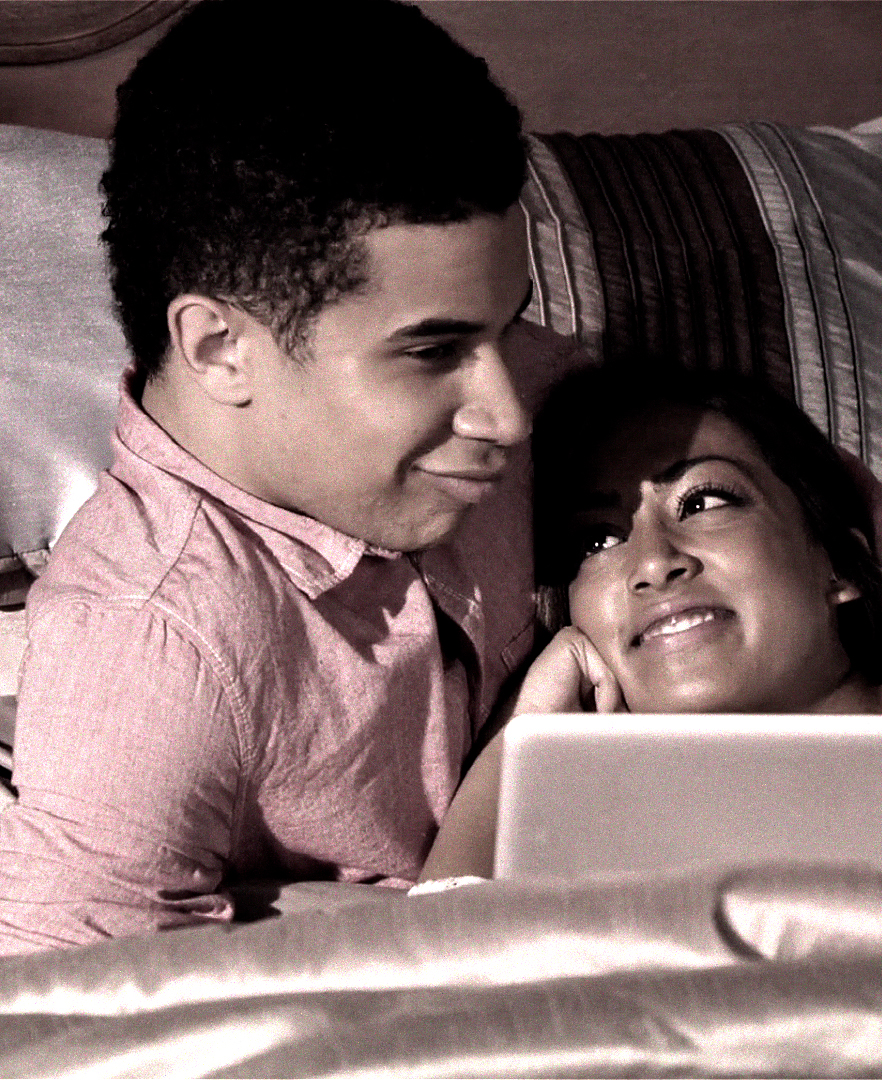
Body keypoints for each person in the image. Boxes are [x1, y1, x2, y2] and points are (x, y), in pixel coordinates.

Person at [0, 0, 584, 954]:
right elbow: (63, 1012)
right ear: (219, 348)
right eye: (432, 351)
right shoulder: (154, 644)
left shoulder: (551, 399)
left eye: (506, 326)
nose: (508, 413)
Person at [420, 366, 882, 880]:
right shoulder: (605, 861)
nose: (653, 562)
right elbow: (436, 966)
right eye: (596, 541)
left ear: (838, 563)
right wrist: (522, 736)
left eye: (703, 501)